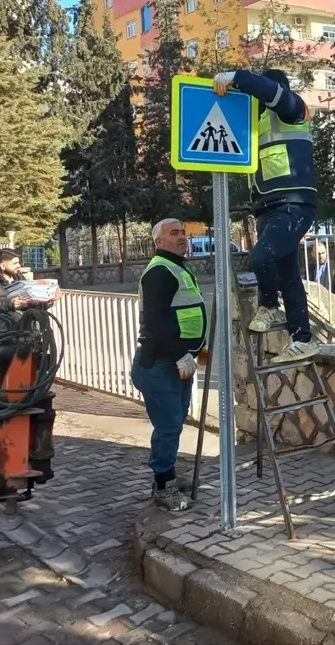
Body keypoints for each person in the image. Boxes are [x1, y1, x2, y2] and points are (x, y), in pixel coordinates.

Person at [213, 68, 317, 363]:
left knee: (262, 256)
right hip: (268, 207)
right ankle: (302, 339)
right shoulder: (257, 123)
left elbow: (270, 92)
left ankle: (269, 305)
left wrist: (237, 77)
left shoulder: (294, 109)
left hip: (294, 203)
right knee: (289, 277)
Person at [130, 218, 208, 510]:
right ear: (158, 241)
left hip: (175, 363)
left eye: (184, 233)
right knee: (169, 425)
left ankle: (169, 475)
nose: (182, 237)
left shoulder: (176, 267)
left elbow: (184, 314)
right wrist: (180, 353)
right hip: (160, 365)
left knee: (175, 422)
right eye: (174, 233)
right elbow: (156, 321)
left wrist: (198, 350)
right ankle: (163, 486)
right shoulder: (160, 272)